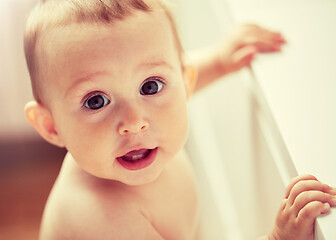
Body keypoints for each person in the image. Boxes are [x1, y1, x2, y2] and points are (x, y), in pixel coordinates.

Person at [23, 0, 335, 239]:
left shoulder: (138, 134)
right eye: (96, 101)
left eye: (149, 86)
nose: (135, 121)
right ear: (51, 126)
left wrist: (220, 60)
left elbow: (178, 78)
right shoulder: (102, 220)